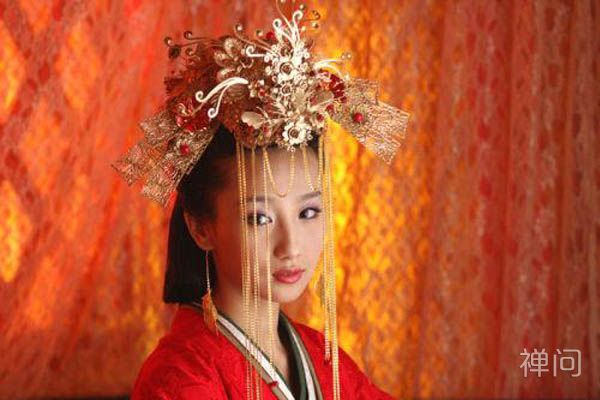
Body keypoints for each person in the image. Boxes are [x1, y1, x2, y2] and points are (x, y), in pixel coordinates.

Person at [112, 2, 409, 399]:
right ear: (200, 226)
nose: (291, 247)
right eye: (260, 218)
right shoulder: (180, 379)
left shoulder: (324, 360)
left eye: (308, 212)